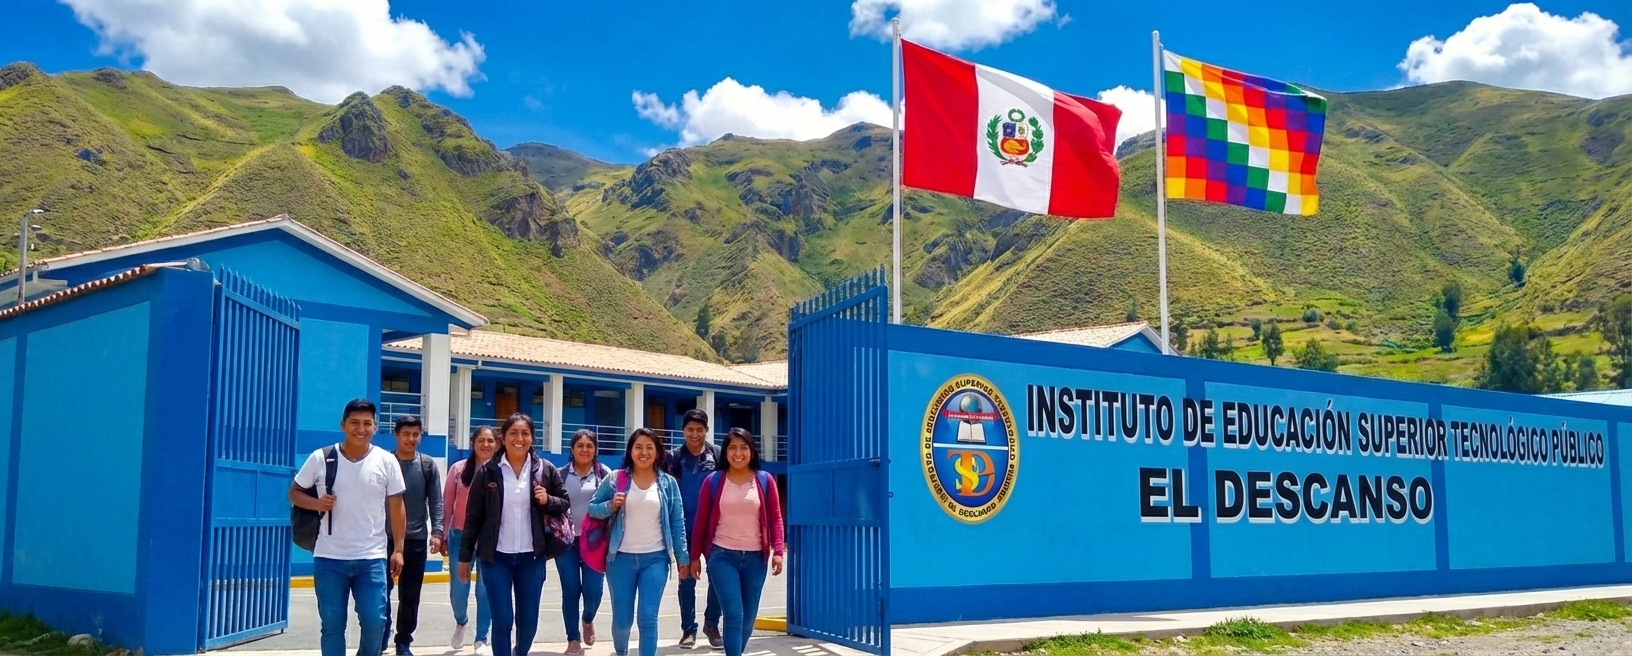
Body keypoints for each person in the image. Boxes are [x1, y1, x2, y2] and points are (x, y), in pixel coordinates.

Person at [288, 398, 407, 656]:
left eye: (367, 423)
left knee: (376, 622)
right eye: (354, 422)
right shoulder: (321, 458)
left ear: (375, 427)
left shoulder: (386, 461)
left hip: (372, 558)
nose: (360, 429)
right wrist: (316, 502)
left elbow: (397, 508)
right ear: (343, 425)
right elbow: (294, 493)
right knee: (332, 626)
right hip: (329, 557)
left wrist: (398, 549)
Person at [456, 413, 570, 656]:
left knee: (528, 621)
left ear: (532, 438)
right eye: (513, 433)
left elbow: (564, 503)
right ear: (503, 438)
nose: (520, 438)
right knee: (502, 620)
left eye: (525, 433)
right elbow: (472, 518)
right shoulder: (487, 471)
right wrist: (465, 559)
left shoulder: (545, 470)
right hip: (495, 558)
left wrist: (547, 499)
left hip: (532, 557)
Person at [589, 428, 691, 656]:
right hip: (620, 559)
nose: (643, 452)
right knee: (623, 622)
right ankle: (621, 650)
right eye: (638, 447)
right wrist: (610, 506)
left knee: (648, 617)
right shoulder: (616, 479)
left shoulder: (668, 483)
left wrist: (682, 559)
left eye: (649, 447)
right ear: (631, 451)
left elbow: (677, 522)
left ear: (657, 452)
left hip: (655, 559)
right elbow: (592, 508)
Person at [689, 429, 785, 656]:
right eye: (732, 448)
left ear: (752, 451)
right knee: (734, 613)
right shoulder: (713, 481)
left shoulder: (765, 480)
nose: (738, 453)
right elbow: (701, 521)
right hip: (722, 556)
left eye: (744, 447)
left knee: (748, 618)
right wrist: (695, 557)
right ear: (726, 452)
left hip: (755, 559)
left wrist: (778, 550)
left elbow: (776, 517)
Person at [382, 415, 444, 656]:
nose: (411, 439)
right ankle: (381, 633)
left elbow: (436, 501)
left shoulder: (427, 465)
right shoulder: (385, 462)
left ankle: (403, 641)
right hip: (383, 540)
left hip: (416, 540)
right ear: (396, 435)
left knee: (410, 595)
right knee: (380, 592)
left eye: (415, 434)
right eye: (405, 434)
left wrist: (437, 532)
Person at [666, 408, 723, 649]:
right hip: (685, 528)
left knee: (719, 577)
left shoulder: (718, 455)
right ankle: (688, 630)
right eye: (690, 430)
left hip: (715, 527)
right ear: (683, 431)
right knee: (686, 578)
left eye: (700, 430)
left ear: (707, 430)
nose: (695, 434)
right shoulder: (674, 457)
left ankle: (712, 624)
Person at [444, 426, 498, 654]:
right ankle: (461, 621)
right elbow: (447, 503)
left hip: (489, 539)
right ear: (473, 443)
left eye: (490, 441)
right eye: (481, 440)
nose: (486, 445)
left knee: (485, 590)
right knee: (459, 587)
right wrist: (444, 534)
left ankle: (481, 638)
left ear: (496, 444)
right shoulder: (458, 469)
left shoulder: (500, 471)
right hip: (460, 535)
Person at [559, 430, 612, 656]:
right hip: (567, 542)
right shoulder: (560, 474)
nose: (584, 450)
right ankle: (573, 639)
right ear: (572, 449)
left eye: (589, 446)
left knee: (594, 591)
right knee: (570, 591)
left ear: (595, 450)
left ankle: (587, 618)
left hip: (595, 542)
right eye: (579, 445)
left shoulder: (604, 475)